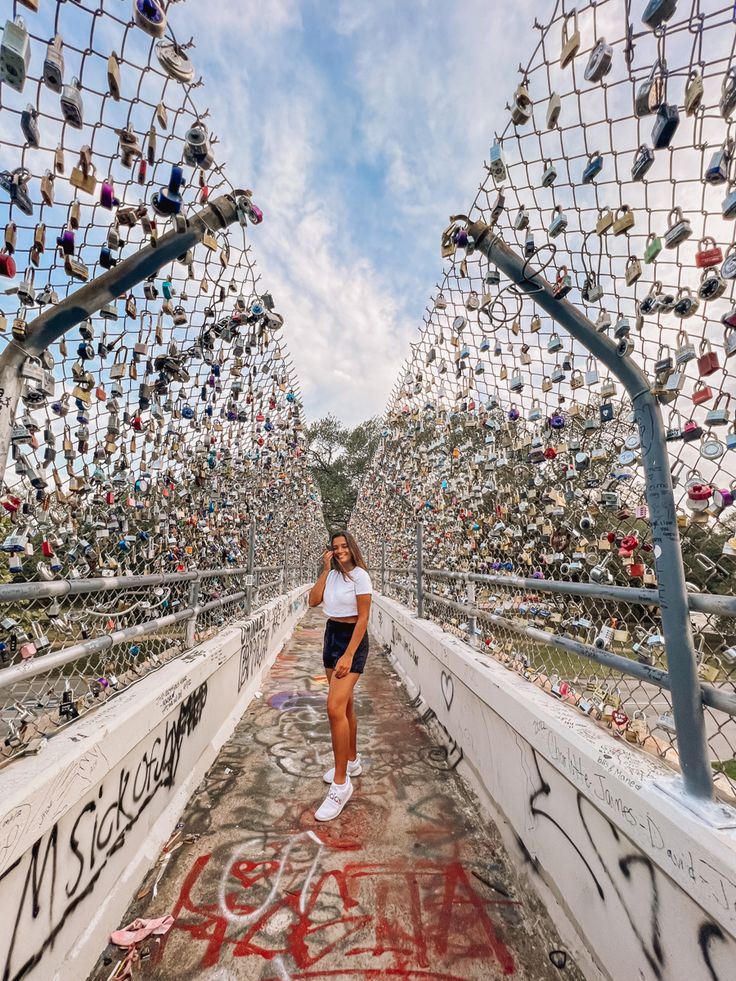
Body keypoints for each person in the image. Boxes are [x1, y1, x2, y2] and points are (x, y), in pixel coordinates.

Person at [308, 530, 372, 820]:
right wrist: (324, 570)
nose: (340, 550)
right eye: (335, 547)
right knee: (345, 705)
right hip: (331, 635)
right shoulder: (332, 576)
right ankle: (352, 760)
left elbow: (363, 619)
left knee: (333, 708)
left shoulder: (361, 576)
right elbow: (313, 600)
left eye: (344, 546)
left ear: (352, 548)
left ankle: (341, 783)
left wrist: (348, 654)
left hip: (352, 640)